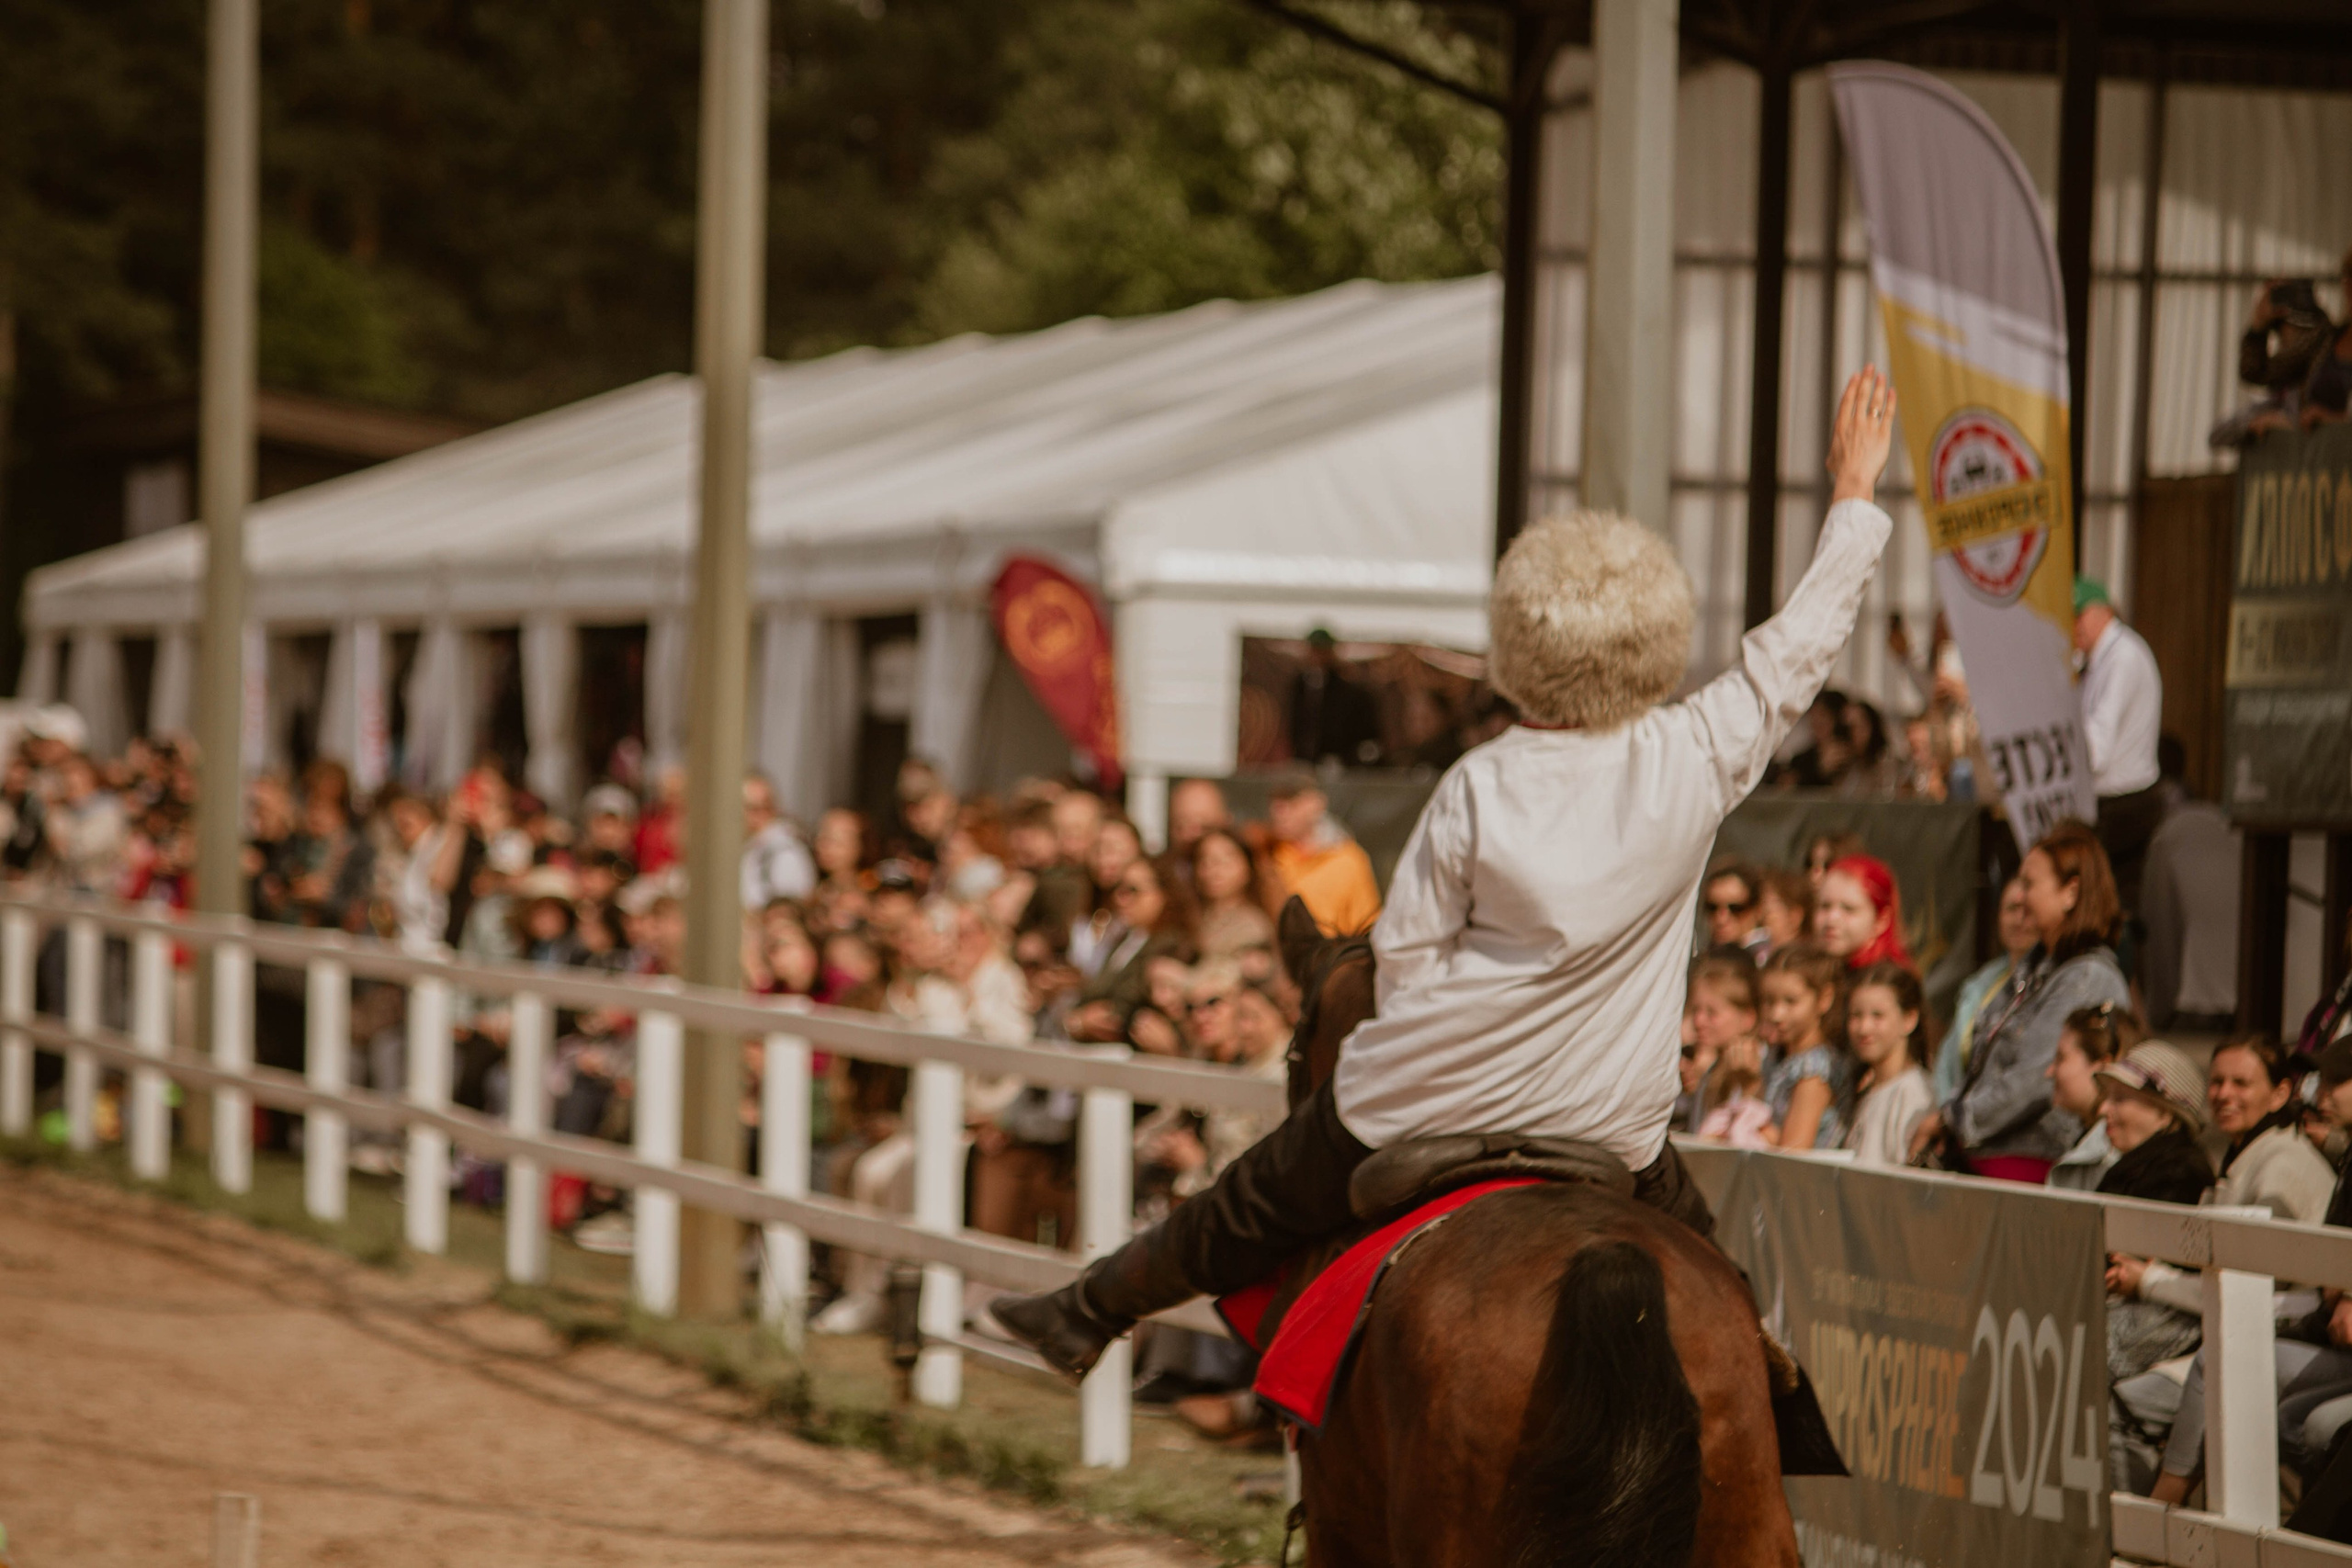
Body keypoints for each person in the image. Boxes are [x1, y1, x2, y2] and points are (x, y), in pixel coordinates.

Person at [987, 367, 1904, 1379]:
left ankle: (1089, 1311)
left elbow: (1409, 966)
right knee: (1726, 1310)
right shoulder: (1693, 752)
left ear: (1520, 647)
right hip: (1610, 1125)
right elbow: (1794, 654)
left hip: (1427, 1098)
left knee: (1247, 1200)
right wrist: (1853, 498)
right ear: (1650, 644)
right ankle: (1783, 1429)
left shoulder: (1478, 784)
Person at [1910, 820, 2132, 1182]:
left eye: (2029, 884)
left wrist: (1954, 1120)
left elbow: (2035, 1078)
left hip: (2033, 1163)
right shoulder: (2031, 968)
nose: (2019, 895)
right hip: (1984, 1156)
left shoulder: (2087, 978)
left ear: (2070, 892)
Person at [2095, 1043, 2218, 1494]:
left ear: (2167, 1113)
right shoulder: (2136, 1167)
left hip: (2171, 1320)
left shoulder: (2177, 1173)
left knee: (2083, 1361)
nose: (2105, 1110)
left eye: (2121, 1099)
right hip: (2149, 1312)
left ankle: (2132, 1530)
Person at [2074, 578, 2164, 912]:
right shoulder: (2100, 658)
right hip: (2115, 801)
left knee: (2105, 905)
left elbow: (2096, 749)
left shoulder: (2122, 657)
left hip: (2125, 803)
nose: (2074, 626)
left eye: (2079, 615)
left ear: (2104, 613)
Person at [1939, 876, 2034, 1102]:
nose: (2019, 920)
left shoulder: (2051, 982)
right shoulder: (1980, 984)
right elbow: (1946, 1064)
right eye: (2012, 909)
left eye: (2028, 910)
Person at [1263, 768, 1379, 937]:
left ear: (1317, 804)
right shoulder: (1264, 850)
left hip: (1326, 956)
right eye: (1275, 804)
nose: (1280, 813)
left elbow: (1365, 925)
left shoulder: (1349, 860)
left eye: (1292, 803)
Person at [1759, 942, 1852, 1150]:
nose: (1776, 1014)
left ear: (1824, 998)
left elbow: (1794, 1153)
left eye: (1791, 1002)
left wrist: (1760, 1133)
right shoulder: (1780, 1055)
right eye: (1769, 1001)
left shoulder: (1814, 1070)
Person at [1844, 963, 1933, 1166]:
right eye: (1856, 1016)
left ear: (1909, 1019)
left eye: (1878, 1016)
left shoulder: (1913, 1094)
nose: (1864, 1028)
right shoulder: (1868, 1089)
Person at [2044, 1002, 2139, 1191]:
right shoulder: (2084, 1139)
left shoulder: (2111, 1156)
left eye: (2061, 1058)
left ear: (2103, 1066)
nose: (2049, 1072)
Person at [1288, 627, 1382, 767]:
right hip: (1305, 760)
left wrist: (1341, 758)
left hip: (1335, 763)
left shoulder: (1347, 690)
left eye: (1321, 650)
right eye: (1314, 650)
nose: (1317, 656)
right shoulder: (1299, 686)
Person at [1188, 827, 1277, 964]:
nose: (1214, 869)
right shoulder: (1190, 918)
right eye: (1205, 860)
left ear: (1248, 867)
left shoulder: (1254, 924)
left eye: (1225, 859)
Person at [1812, 853, 1912, 972]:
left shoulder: (1882, 982)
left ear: (1881, 920)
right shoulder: (1812, 968)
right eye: (1825, 906)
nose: (1832, 919)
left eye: (1848, 909)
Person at [740, 773, 817, 910]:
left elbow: (788, 910)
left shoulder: (785, 851)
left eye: (765, 807)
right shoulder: (747, 846)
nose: (759, 814)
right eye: (752, 808)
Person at [1700, 858, 1765, 953]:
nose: (1721, 920)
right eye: (1712, 908)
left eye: (1735, 908)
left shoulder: (1773, 962)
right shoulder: (1700, 961)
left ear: (1758, 910)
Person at [1753, 866, 1813, 960]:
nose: (1759, 917)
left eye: (1767, 912)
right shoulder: (1756, 952)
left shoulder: (1806, 963)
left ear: (1794, 917)